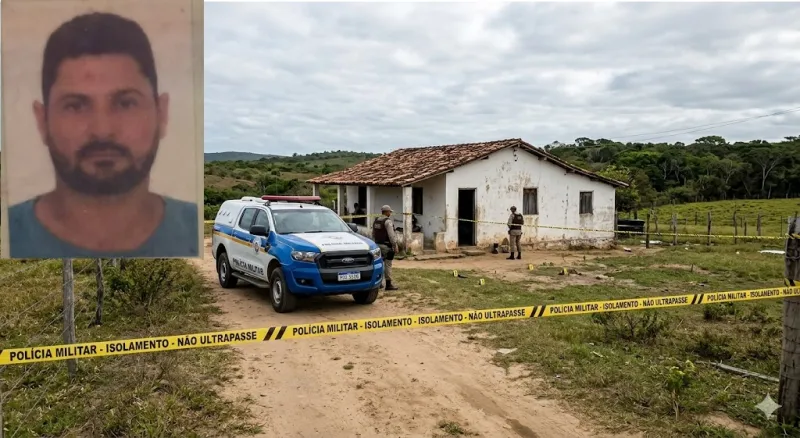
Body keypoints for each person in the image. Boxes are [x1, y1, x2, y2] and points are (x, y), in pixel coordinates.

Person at [6, 12, 199, 258]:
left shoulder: (193, 228)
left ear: (161, 113)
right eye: (75, 105)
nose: (102, 129)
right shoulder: (9, 233)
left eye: (125, 103)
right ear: (41, 120)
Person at [372, 204, 399, 290]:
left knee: (378, 264)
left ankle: (378, 283)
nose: (390, 213)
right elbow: (391, 235)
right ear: (386, 212)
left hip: (377, 245)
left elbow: (373, 234)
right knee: (388, 264)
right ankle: (388, 284)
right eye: (389, 212)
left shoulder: (376, 220)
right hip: (386, 246)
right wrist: (395, 245)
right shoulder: (387, 221)